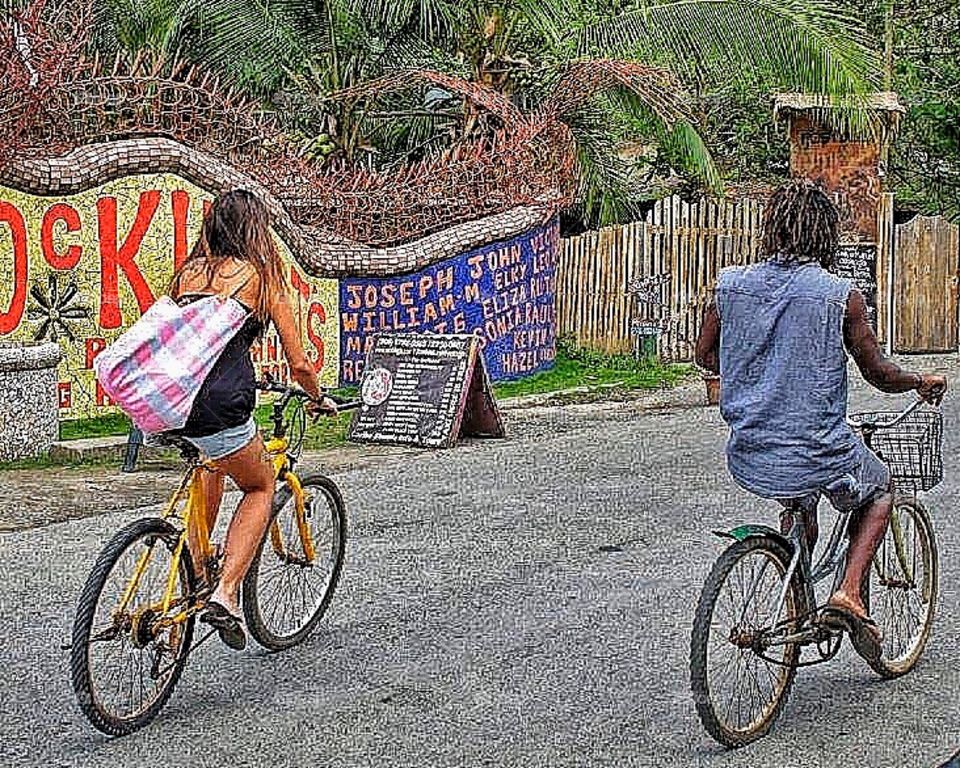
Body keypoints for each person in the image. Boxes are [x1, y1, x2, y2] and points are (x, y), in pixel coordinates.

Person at [695, 178, 946, 660]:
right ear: (824, 233)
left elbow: (707, 356)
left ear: (772, 228)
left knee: (800, 502)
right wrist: (918, 381)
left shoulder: (728, 286)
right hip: (818, 448)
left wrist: (759, 371)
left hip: (750, 450)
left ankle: (795, 595)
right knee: (881, 490)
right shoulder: (839, 295)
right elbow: (878, 373)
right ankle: (848, 592)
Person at [169, 189, 337, 650]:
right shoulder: (261, 276)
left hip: (171, 402)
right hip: (220, 403)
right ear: (254, 230)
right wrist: (318, 397)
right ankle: (225, 594)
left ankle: (198, 565)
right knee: (260, 485)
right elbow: (300, 364)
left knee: (212, 462)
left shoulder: (188, 274)